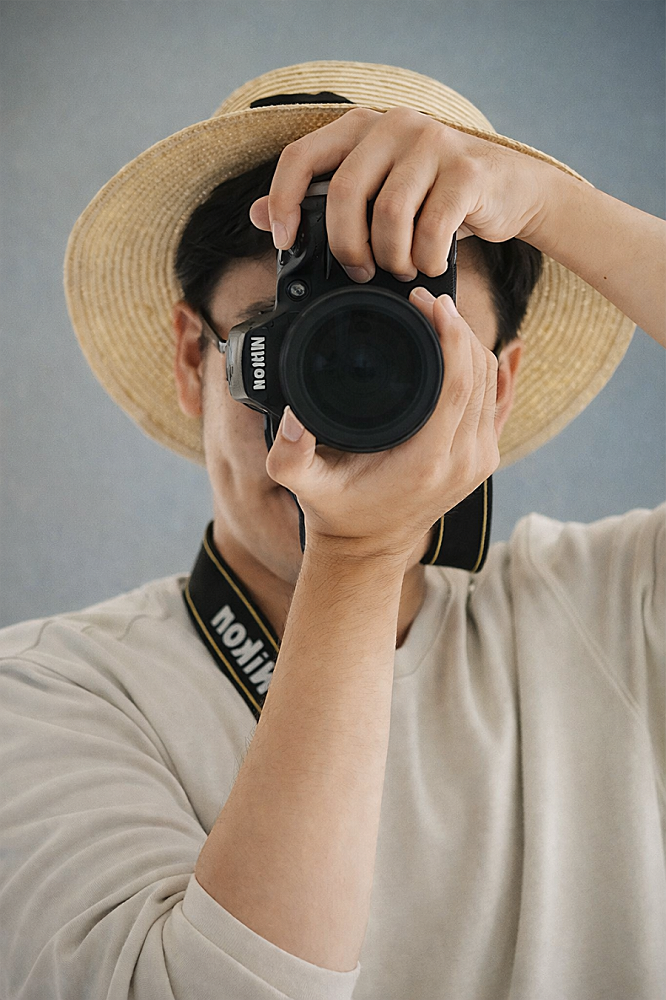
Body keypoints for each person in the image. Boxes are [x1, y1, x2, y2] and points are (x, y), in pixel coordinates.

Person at [0, 60, 663, 1000]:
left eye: (410, 352)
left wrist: (554, 204)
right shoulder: (46, 692)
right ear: (196, 359)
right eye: (296, 344)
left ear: (497, 389)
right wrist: (357, 559)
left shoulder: (614, 614)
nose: (341, 412)